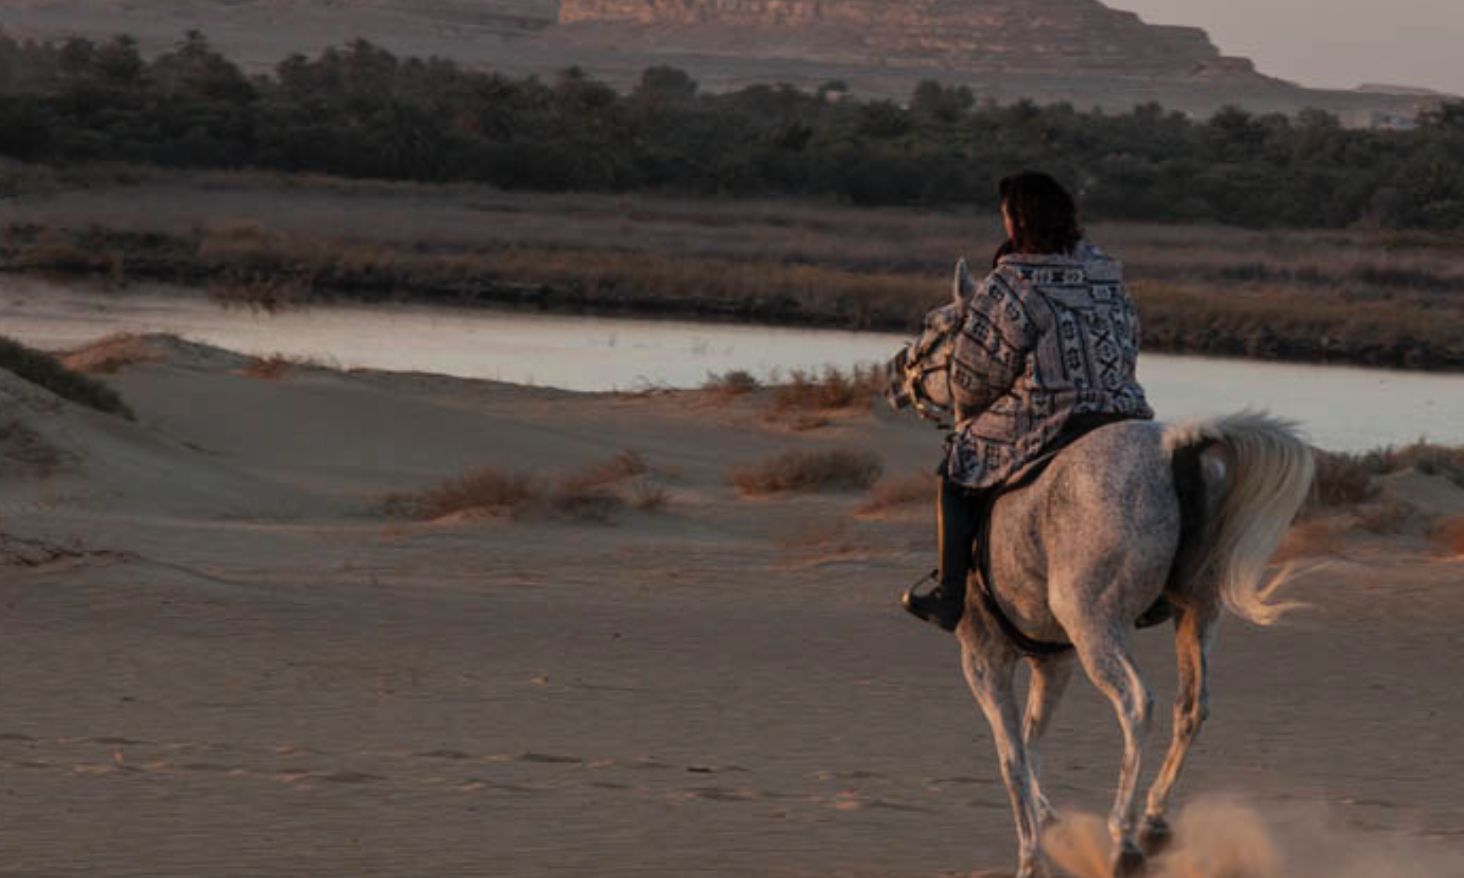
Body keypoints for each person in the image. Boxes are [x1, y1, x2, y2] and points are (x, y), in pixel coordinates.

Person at [904, 171, 1155, 631]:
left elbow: (973, 378)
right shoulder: (1106, 270)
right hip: (1125, 409)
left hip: (1051, 411)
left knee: (956, 465)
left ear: (1020, 219)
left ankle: (949, 593)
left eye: (1006, 216)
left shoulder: (1014, 280)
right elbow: (1132, 340)